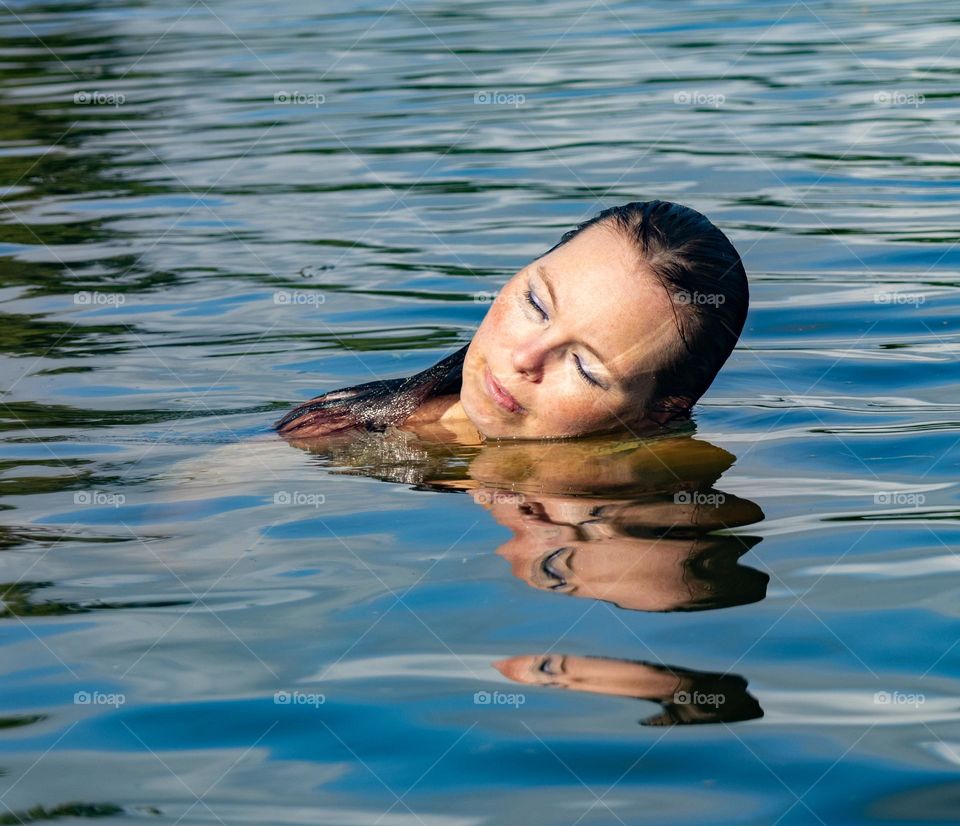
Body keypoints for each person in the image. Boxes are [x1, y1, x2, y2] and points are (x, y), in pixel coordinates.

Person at [276, 199, 748, 440]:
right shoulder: (338, 422)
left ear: (658, 414)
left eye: (585, 368)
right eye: (536, 305)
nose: (525, 357)